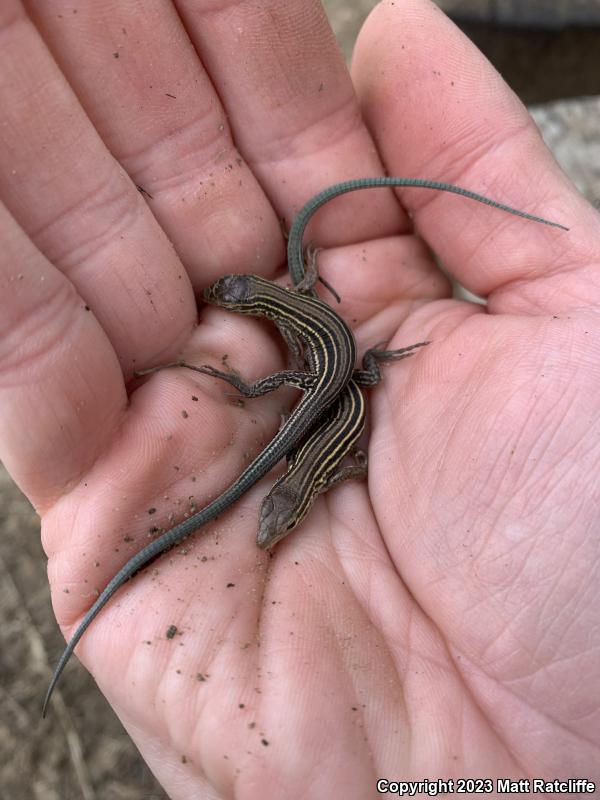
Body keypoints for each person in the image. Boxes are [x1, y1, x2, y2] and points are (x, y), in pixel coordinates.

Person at [0, 1, 598, 796]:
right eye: (281, 514)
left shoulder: (305, 372)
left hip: (333, 370)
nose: (275, 523)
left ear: (257, 305)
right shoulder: (302, 326)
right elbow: (325, 407)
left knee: (317, 386)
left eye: (237, 298)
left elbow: (321, 423)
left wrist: (291, 384)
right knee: (326, 382)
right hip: (335, 368)